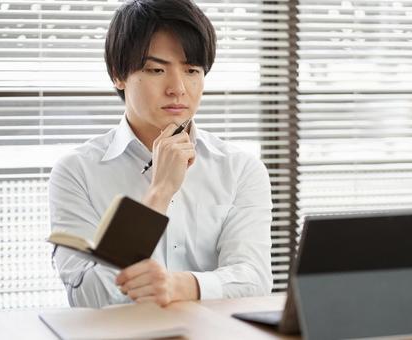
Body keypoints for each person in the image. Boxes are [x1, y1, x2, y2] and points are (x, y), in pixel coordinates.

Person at [48, 0, 273, 308]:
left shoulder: (240, 168)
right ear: (118, 74)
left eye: (192, 70)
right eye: (156, 69)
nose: (178, 88)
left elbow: (254, 280)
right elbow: (90, 297)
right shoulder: (77, 172)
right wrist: (159, 193)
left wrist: (181, 285)